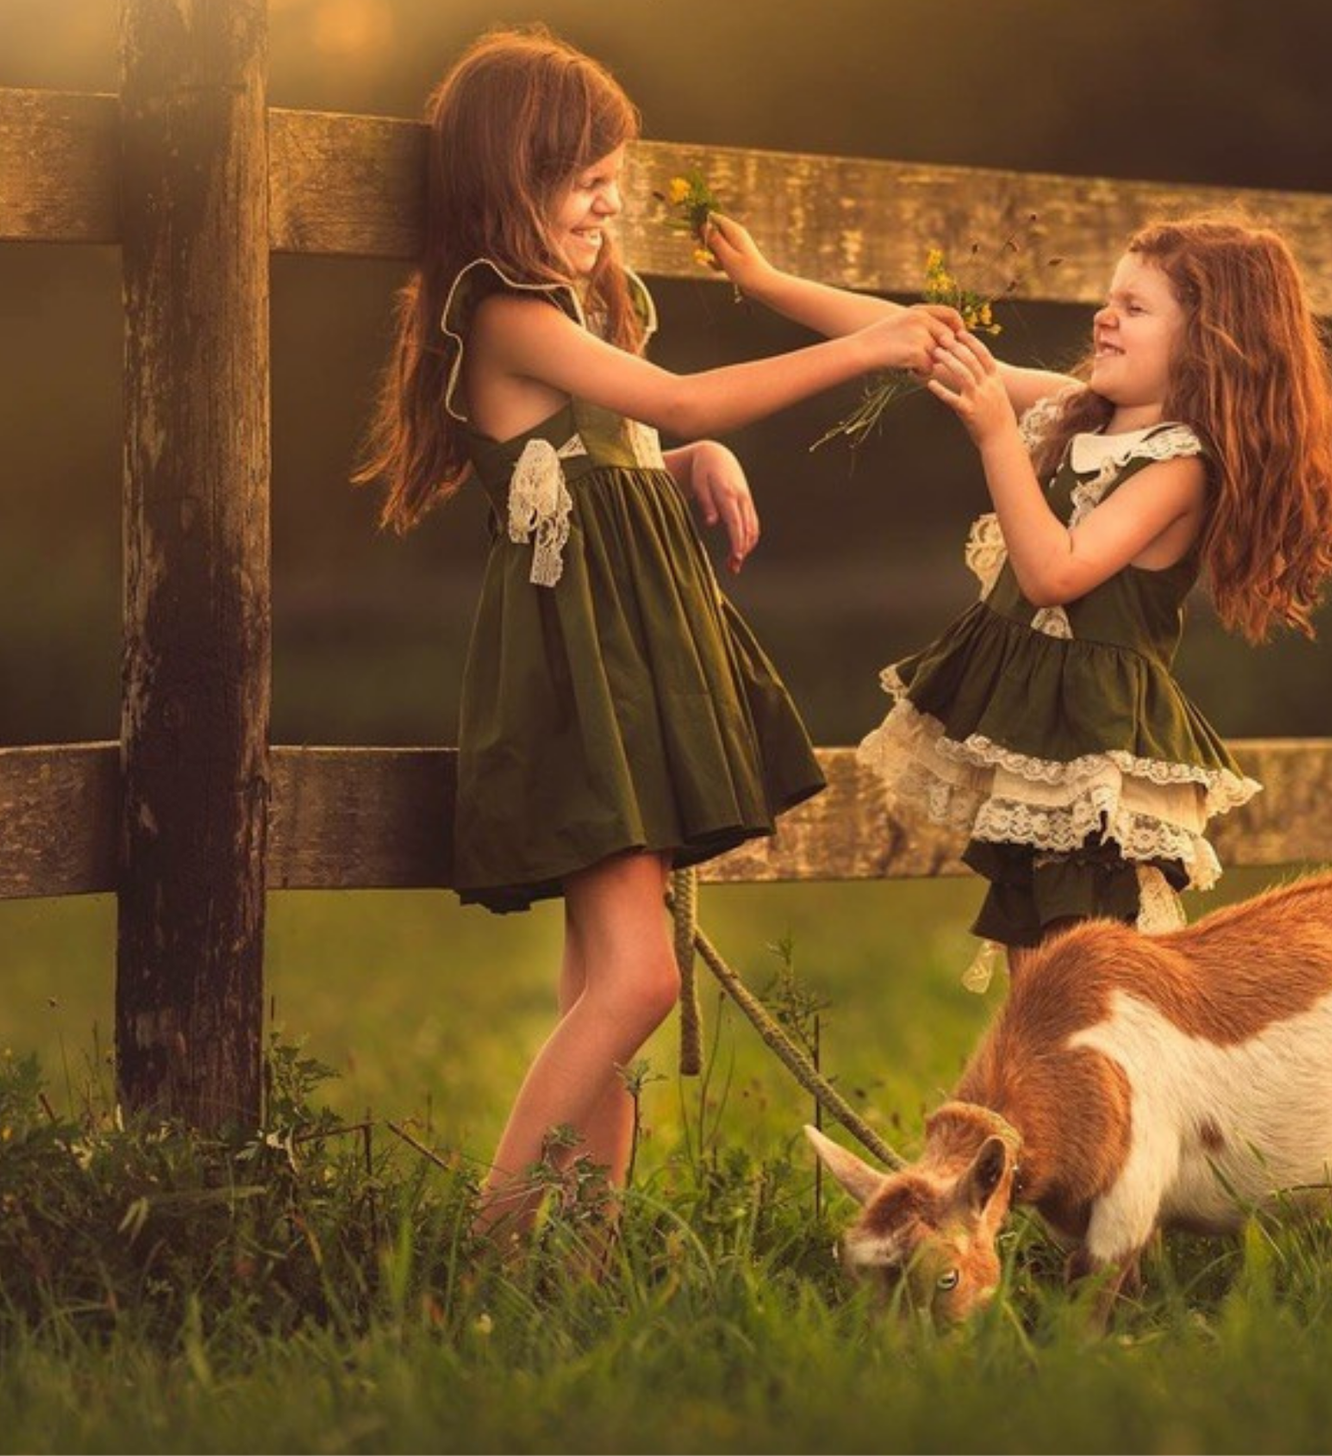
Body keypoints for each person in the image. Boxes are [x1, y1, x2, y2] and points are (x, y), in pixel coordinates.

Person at [355, 26, 958, 1243]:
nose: (611, 199)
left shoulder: (566, 307)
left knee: (603, 994)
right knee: (638, 982)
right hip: (580, 668)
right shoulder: (501, 306)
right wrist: (873, 341)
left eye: (613, 175)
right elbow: (671, 393)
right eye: (586, 176)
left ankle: (581, 1273)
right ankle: (485, 1241)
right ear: (510, 171)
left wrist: (692, 457)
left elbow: (630, 435)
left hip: (631, 655)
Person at [706, 213, 1332, 977]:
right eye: (1109, 298)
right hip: (1034, 741)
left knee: (1086, 981)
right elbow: (915, 340)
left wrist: (994, 439)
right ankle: (1040, 1100)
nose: (1102, 317)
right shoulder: (1081, 411)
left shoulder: (1178, 467)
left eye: (1135, 308)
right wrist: (766, 281)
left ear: (1208, 344)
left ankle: (1090, 1096)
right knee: (1035, 976)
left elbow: (1056, 572)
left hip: (1088, 756)